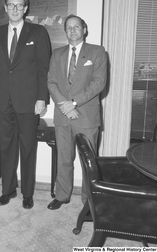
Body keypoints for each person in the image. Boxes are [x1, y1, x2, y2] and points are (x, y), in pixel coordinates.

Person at [0, 0, 51, 209]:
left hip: (28, 102)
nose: (15, 9)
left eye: (19, 5)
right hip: (4, 101)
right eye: (11, 5)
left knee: (28, 149)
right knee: (6, 148)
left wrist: (41, 98)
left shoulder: (38, 32)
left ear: (25, 8)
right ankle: (8, 190)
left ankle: (27, 193)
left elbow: (44, 68)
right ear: (5, 7)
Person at [47, 14, 107, 210]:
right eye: (69, 28)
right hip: (63, 116)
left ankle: (89, 201)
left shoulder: (97, 52)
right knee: (63, 158)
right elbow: (51, 83)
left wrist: (73, 103)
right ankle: (62, 195)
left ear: (84, 29)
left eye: (76, 27)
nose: (72, 30)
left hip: (87, 117)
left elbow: (98, 83)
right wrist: (65, 106)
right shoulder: (57, 54)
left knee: (88, 162)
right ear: (65, 32)